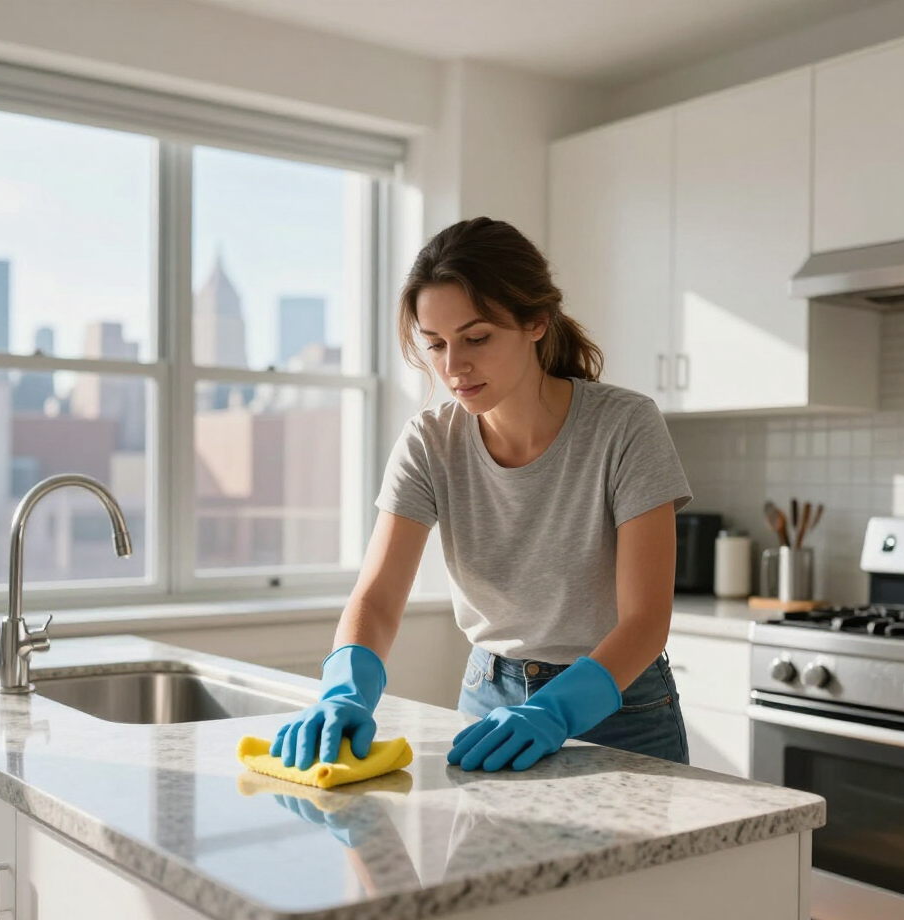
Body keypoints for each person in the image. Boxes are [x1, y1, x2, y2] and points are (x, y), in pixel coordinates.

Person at [271, 216, 693, 774]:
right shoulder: (430, 442)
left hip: (622, 707)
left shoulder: (626, 426)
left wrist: (557, 710)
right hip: (488, 699)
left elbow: (645, 621)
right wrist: (343, 689)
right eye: (436, 344)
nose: (453, 367)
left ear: (536, 322)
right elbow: (376, 598)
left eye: (476, 338)